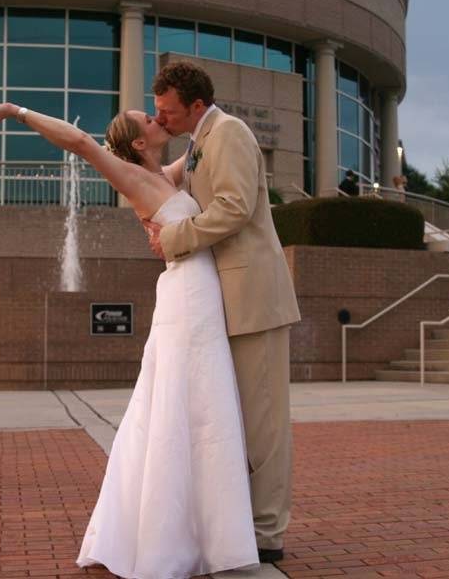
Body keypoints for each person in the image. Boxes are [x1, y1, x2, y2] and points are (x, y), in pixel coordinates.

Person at [0, 100, 259, 578]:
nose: (156, 117)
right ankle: (168, 541)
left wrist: (196, 103)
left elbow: (207, 131)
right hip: (186, 296)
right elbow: (80, 142)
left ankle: (213, 534)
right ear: (138, 143)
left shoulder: (167, 172)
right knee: (179, 409)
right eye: (149, 118)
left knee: (206, 411)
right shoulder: (130, 175)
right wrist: (15, 112)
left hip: (203, 295)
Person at [143, 62, 301, 563]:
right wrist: (123, 146)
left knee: (263, 423)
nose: (160, 118)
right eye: (156, 111)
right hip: (223, 302)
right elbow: (148, 176)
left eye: (166, 111)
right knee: (234, 420)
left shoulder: (228, 133)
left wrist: (173, 239)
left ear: (195, 105)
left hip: (254, 300)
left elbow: (233, 208)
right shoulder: (195, 142)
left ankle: (268, 532)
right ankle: (240, 525)